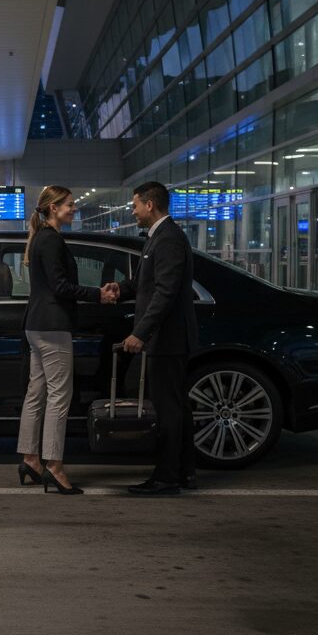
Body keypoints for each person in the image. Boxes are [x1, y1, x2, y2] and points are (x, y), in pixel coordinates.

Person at [18, 185, 118, 495]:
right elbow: (61, 287)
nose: (74, 209)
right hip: (53, 326)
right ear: (53, 208)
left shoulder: (41, 238)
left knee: (37, 393)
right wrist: (97, 295)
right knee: (59, 398)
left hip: (36, 325)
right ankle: (54, 465)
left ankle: (31, 458)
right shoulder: (51, 240)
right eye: (69, 205)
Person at [106, 181, 198, 497]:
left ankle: (167, 477)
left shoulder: (169, 239)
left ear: (150, 204)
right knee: (177, 407)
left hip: (168, 338)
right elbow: (148, 281)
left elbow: (165, 292)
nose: (132, 211)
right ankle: (184, 472)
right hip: (166, 337)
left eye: (135, 205)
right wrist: (123, 289)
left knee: (169, 409)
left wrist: (139, 333)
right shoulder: (159, 237)